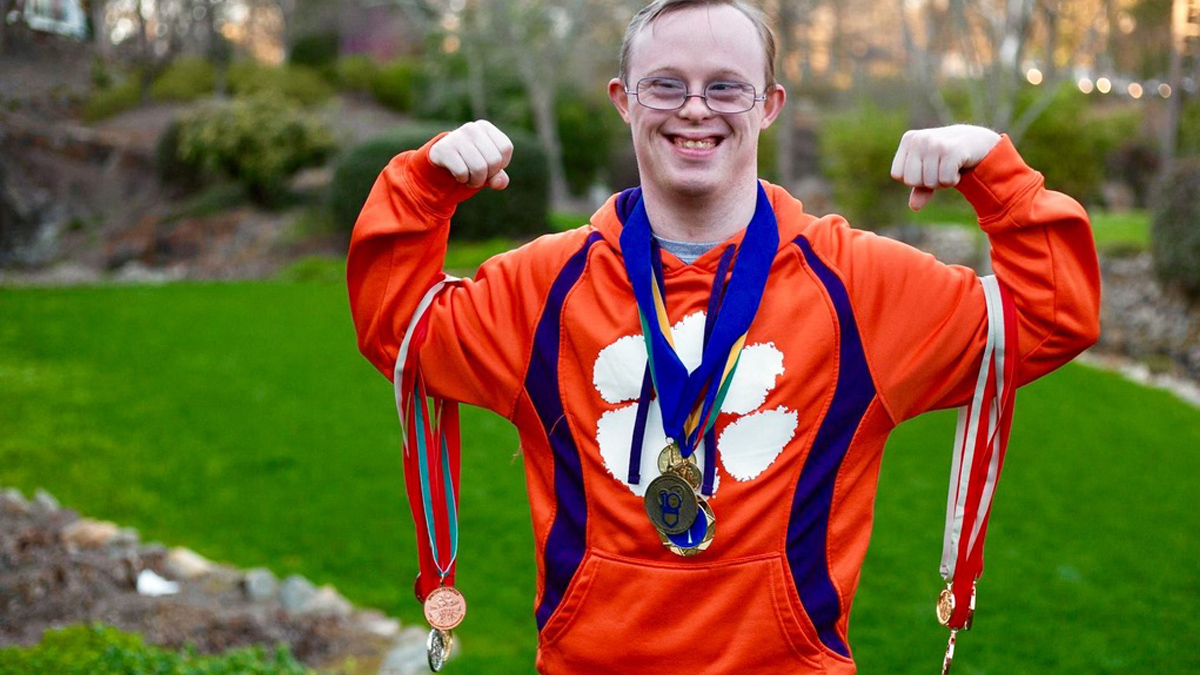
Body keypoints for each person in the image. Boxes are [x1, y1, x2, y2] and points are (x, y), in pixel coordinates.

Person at [347, 0, 1101, 672]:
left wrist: (993, 172)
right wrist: (424, 186)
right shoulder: (544, 284)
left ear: (769, 104)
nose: (696, 109)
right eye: (666, 84)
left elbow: (1052, 314)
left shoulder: (859, 284)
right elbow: (399, 327)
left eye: (727, 86)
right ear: (624, 100)